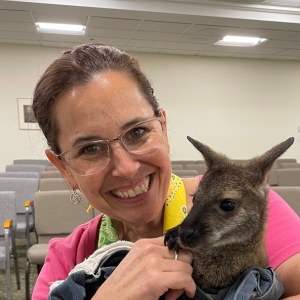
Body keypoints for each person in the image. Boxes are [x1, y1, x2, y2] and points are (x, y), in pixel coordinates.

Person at [31, 44, 300, 300]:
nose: (126, 168)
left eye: (137, 132)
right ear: (64, 169)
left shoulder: (240, 207)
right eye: (90, 149)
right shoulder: (65, 260)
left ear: (163, 129)